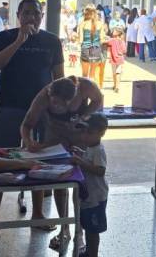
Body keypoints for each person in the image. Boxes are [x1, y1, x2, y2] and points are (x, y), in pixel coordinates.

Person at [0, 0, 64, 237]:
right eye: (27, 13)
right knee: (0, 159)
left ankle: (37, 214)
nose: (32, 17)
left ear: (42, 16)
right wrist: (19, 40)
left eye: (36, 13)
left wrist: (57, 109)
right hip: (9, 107)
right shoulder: (4, 37)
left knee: (38, 159)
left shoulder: (52, 41)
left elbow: (59, 78)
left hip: (41, 112)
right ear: (18, 15)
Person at [20, 76, 105, 250]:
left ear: (73, 98)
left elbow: (99, 99)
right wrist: (28, 141)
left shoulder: (86, 86)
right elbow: (26, 124)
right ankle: (64, 227)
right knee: (60, 181)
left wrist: (85, 115)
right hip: (55, 136)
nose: (58, 107)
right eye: (54, 103)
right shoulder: (44, 96)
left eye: (63, 104)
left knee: (80, 184)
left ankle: (79, 232)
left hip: (79, 136)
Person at [71, 114, 109, 257]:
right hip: (89, 196)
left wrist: (80, 162)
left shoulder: (98, 150)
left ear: (101, 133)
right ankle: (88, 252)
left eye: (90, 133)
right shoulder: (90, 148)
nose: (85, 136)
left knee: (93, 230)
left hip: (96, 197)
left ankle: (92, 254)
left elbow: (100, 170)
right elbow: (89, 159)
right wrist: (80, 153)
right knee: (87, 226)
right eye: (84, 132)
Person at [78, 5, 107, 88]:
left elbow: (80, 40)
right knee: (92, 75)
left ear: (86, 13)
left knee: (84, 75)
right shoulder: (100, 24)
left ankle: (84, 93)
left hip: (85, 49)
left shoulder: (82, 24)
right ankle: (91, 91)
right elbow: (102, 39)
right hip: (96, 50)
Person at [107, 28, 126, 93]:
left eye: (114, 31)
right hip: (120, 59)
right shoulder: (122, 41)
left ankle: (115, 85)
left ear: (117, 33)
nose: (112, 31)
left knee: (114, 73)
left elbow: (106, 44)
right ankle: (117, 86)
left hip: (113, 59)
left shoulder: (111, 40)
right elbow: (124, 50)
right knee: (118, 72)